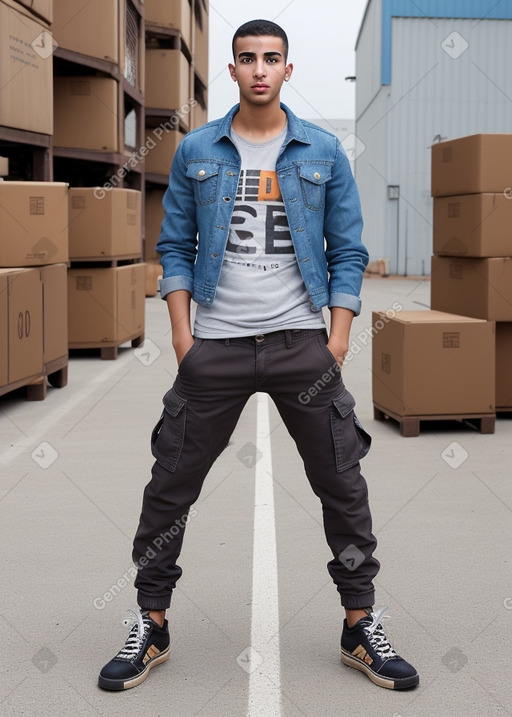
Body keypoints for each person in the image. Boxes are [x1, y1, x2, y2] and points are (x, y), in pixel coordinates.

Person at [98, 19, 419, 692]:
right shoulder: (196, 150)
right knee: (170, 486)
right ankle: (150, 621)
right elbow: (175, 247)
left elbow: (348, 251)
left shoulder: (324, 152)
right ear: (235, 71)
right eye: (247, 59)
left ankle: (359, 623)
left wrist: (337, 336)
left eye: (272, 58)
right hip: (215, 345)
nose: (260, 70)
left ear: (288, 69)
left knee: (342, 484)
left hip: (302, 345)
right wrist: (184, 336)